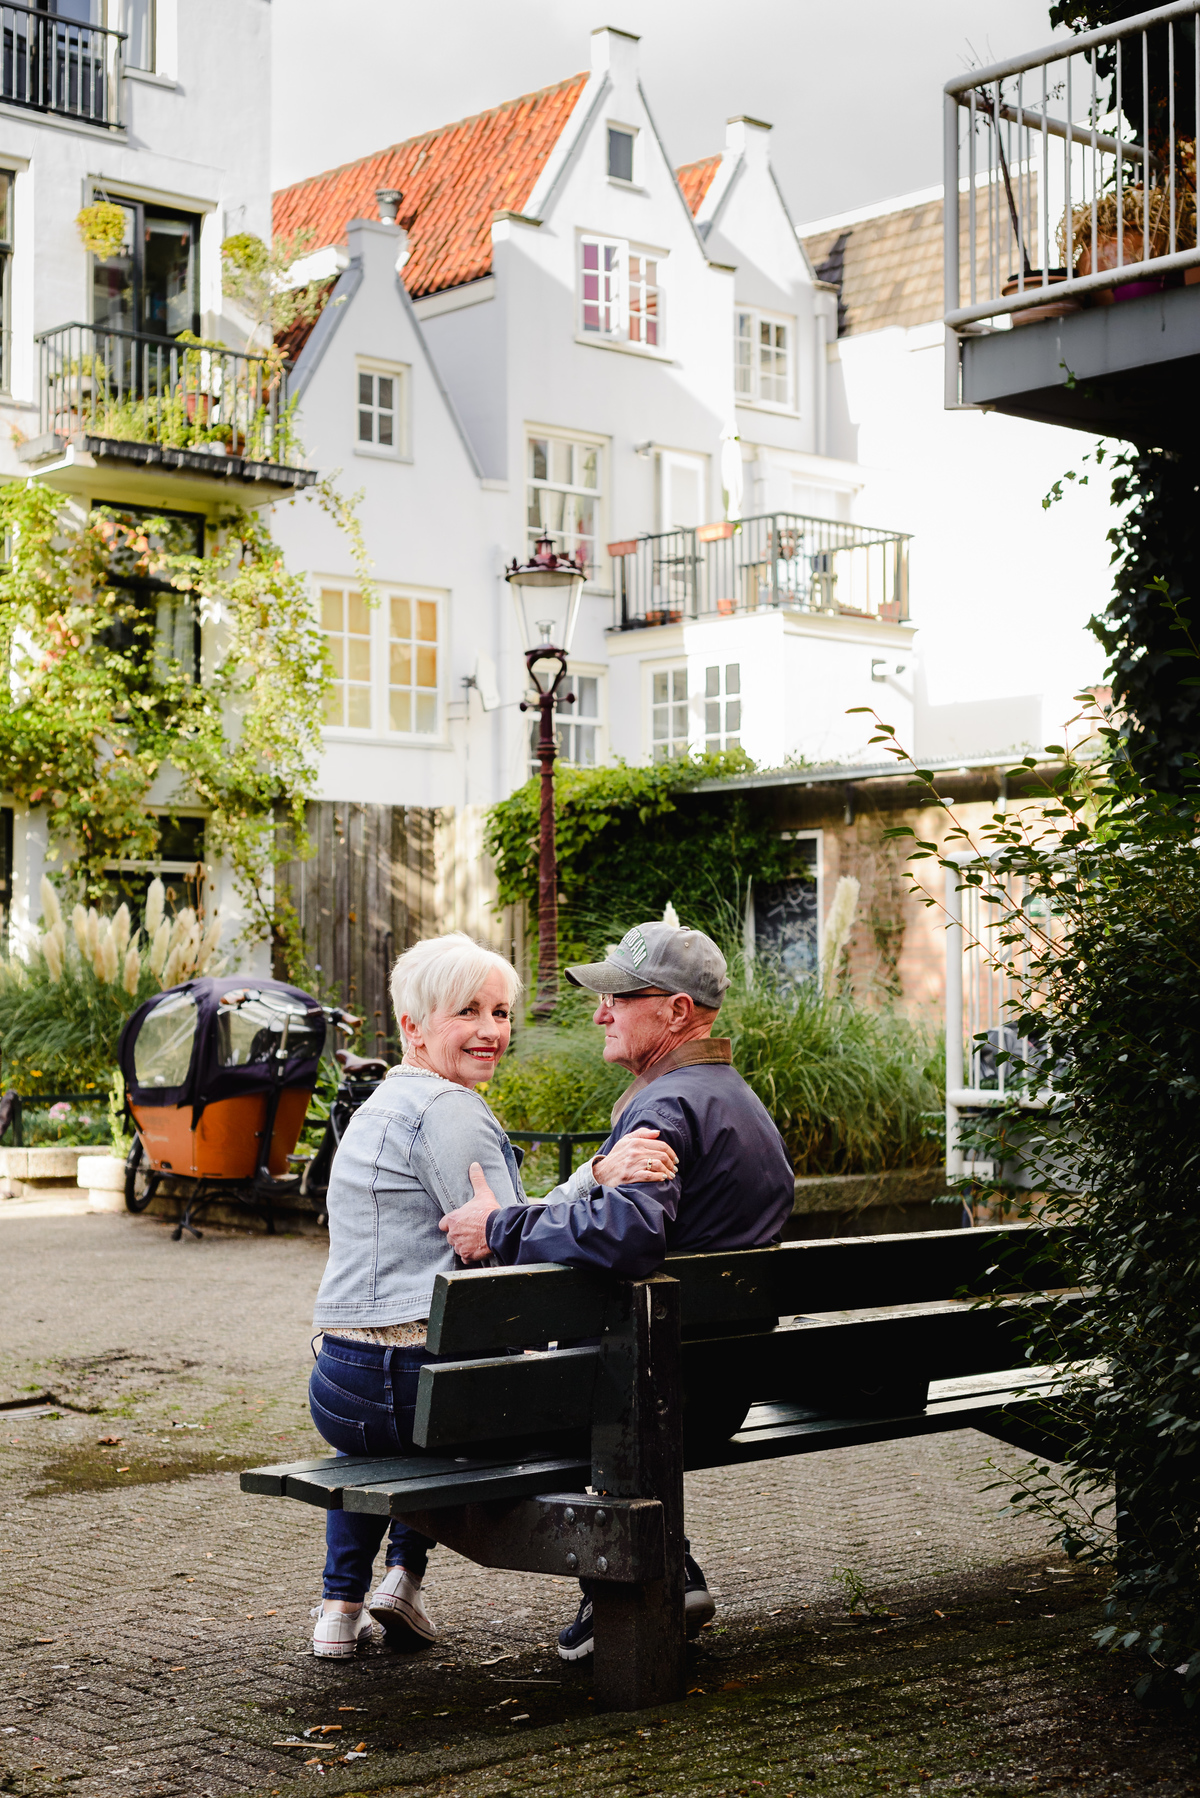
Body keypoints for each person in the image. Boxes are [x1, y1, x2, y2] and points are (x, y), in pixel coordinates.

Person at [307, 930, 674, 1660]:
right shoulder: (452, 1110)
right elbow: (516, 1248)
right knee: (562, 1405)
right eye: (467, 1012)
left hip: (341, 1389)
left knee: (427, 1416)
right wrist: (601, 1177)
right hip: (420, 1392)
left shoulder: (376, 1107)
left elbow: (499, 1222)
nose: (491, 1031)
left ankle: (347, 1607)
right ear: (412, 1026)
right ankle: (635, 1595)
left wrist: (588, 1177)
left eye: (501, 1012)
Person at [440, 919, 795, 1662]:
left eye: (619, 997)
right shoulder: (737, 1099)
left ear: (675, 1012)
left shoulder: (663, 1106)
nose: (600, 1012)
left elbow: (631, 1235)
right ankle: (672, 1566)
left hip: (656, 1397)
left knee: (455, 1409)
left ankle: (631, 1588)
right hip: (724, 1383)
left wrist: (501, 1226)